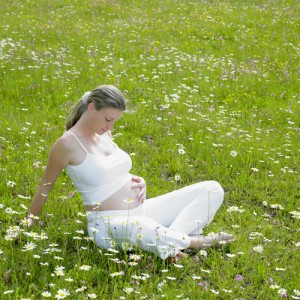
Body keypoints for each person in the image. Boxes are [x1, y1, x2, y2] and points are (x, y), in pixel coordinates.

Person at [29, 85, 235, 261]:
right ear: (91, 108)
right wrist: (32, 221)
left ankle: (169, 241)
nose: (110, 126)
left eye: (114, 121)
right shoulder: (66, 144)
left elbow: (112, 169)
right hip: (109, 225)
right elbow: (45, 186)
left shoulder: (104, 132)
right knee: (140, 226)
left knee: (211, 189)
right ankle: (196, 241)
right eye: (108, 119)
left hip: (143, 210)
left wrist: (139, 180)